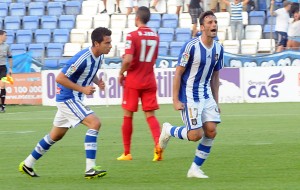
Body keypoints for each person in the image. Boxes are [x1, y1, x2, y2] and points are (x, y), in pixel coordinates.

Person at [19, 27, 112, 179]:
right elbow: (60, 78)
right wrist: (82, 89)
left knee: (55, 135)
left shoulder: (100, 56)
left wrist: (97, 82)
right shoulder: (82, 57)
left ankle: (27, 164)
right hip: (68, 98)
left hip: (73, 98)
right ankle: (90, 169)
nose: (110, 46)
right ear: (96, 43)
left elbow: (90, 71)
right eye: (107, 43)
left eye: (110, 42)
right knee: (94, 123)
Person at [159, 11, 224, 178]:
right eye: (209, 22)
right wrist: (175, 100)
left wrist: (216, 101)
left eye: (215, 22)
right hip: (188, 96)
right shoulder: (191, 47)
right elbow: (178, 73)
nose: (214, 25)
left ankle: (194, 169)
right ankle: (168, 130)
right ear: (202, 27)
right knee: (195, 135)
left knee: (211, 131)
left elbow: (215, 76)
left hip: (206, 95)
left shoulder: (218, 48)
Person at [117, 6, 163, 161]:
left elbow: (128, 59)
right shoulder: (155, 36)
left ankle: (127, 152)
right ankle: (158, 147)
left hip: (134, 80)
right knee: (150, 115)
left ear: (137, 18)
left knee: (128, 115)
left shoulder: (132, 35)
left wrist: (121, 72)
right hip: (149, 79)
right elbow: (154, 58)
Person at [0, 30, 13, 113]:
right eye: (5, 35)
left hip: (3, 68)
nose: (6, 37)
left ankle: (3, 105)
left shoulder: (6, 46)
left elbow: (10, 57)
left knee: (2, 85)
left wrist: (11, 68)